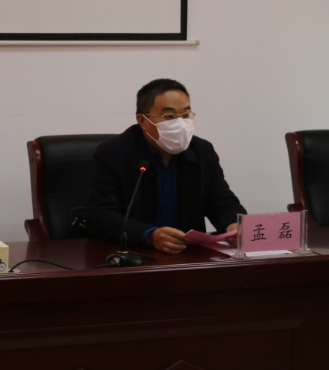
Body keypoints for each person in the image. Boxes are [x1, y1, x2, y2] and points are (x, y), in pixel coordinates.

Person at [87, 78, 245, 254]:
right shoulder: (114, 152)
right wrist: (149, 235)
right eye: (169, 116)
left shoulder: (202, 151)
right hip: (134, 254)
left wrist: (233, 225)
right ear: (143, 121)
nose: (180, 124)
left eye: (185, 115)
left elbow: (222, 202)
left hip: (188, 256)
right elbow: (100, 216)